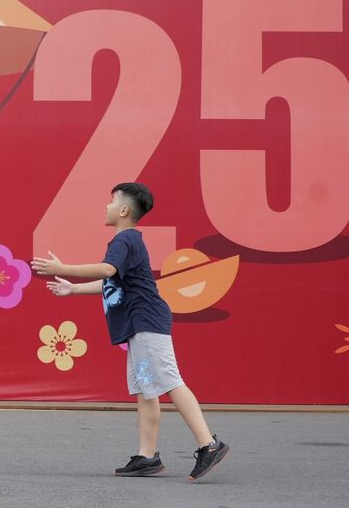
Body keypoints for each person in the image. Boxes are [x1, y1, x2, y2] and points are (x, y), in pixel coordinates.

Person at [31, 183, 229, 481]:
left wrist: (64, 267)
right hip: (139, 326)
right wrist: (73, 289)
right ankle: (147, 456)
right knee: (146, 388)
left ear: (124, 210)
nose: (106, 207)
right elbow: (114, 282)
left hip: (147, 322)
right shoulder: (127, 242)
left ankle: (209, 444)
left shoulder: (124, 240)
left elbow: (107, 271)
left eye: (111, 202)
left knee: (170, 381)